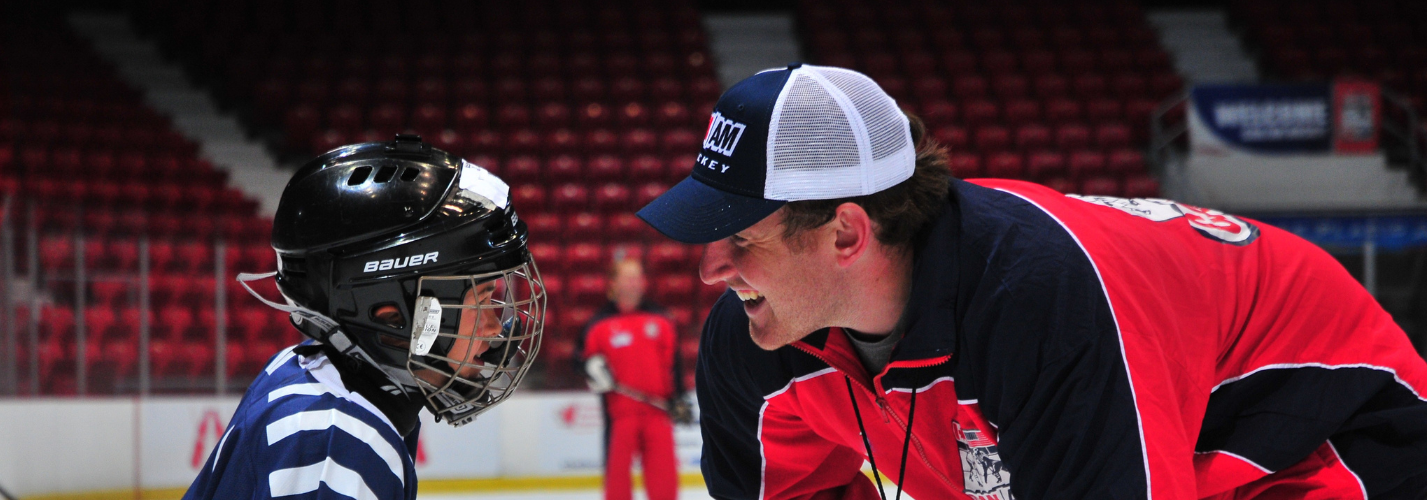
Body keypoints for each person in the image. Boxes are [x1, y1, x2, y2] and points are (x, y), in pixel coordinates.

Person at [635, 63, 1427, 500]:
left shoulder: (1041, 300)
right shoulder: (756, 338)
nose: (711, 270)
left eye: (741, 238)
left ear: (846, 232)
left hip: (1329, 442)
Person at [184, 135, 547, 500]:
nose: (494, 327)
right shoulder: (336, 443)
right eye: (481, 300)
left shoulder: (319, 379)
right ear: (391, 314)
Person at [579, 256, 686, 500]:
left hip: (658, 412)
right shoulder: (599, 324)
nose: (634, 283)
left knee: (664, 482)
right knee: (617, 481)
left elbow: (675, 364)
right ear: (614, 283)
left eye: (638, 277)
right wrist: (591, 370)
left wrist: (679, 396)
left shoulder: (661, 319)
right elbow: (582, 362)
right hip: (620, 415)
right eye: (628, 277)